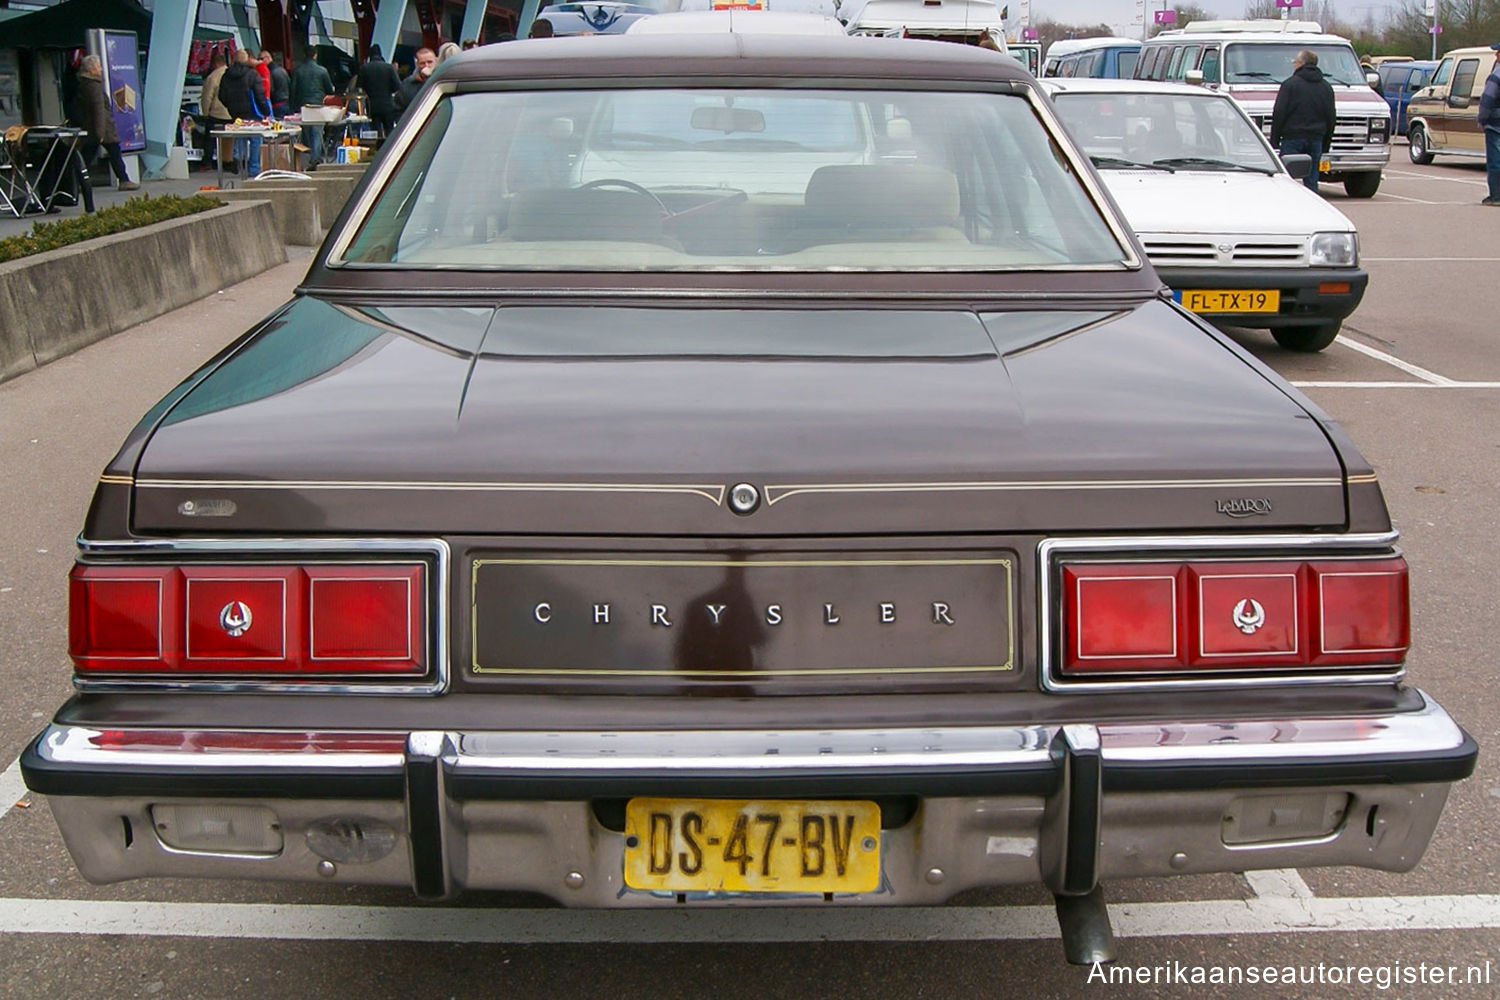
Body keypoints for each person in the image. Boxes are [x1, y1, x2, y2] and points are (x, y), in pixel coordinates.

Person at [1270, 49, 1336, 193]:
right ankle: (1311, 207)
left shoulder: (1290, 85)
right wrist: (1326, 142)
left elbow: (1280, 112)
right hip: (1316, 139)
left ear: (1300, 64)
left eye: (1295, 62)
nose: (1294, 65)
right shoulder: (1326, 87)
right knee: (1312, 180)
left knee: (1286, 178)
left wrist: (1274, 139)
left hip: (1292, 138)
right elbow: (1331, 116)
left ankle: (1288, 205)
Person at [75, 55, 138, 191]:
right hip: (102, 128)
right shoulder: (93, 86)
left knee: (91, 154)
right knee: (105, 153)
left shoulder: (87, 84)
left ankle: (123, 179)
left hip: (98, 127)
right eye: (98, 66)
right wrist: (100, 132)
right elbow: (99, 110)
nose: (101, 69)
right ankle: (123, 180)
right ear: (91, 69)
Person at [222, 49, 271, 177]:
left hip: (235, 113)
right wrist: (266, 111)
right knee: (255, 140)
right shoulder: (252, 74)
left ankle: (239, 162)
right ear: (246, 60)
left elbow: (221, 95)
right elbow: (260, 95)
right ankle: (253, 167)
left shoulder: (226, 75)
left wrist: (229, 106)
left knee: (240, 137)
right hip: (252, 113)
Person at [290, 47, 335, 171]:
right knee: (317, 132)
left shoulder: (298, 71)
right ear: (315, 55)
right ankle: (315, 158)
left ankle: (308, 158)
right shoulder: (322, 71)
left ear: (304, 55)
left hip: (303, 106)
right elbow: (329, 90)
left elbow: (293, 90)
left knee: (306, 133)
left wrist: (292, 108)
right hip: (318, 105)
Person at [355, 44, 403, 137]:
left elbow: (359, 87)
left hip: (372, 106)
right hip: (388, 105)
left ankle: (378, 149)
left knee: (376, 132)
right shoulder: (389, 68)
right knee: (389, 130)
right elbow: (398, 86)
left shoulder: (365, 68)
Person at [199, 53, 232, 167]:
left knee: (210, 139)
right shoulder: (232, 74)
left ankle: (207, 162)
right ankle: (228, 162)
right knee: (229, 140)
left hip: (217, 114)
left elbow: (207, 97)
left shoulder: (213, 77)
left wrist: (205, 113)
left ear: (215, 63)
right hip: (232, 114)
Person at [1479, 42, 1500, 206]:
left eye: (1498, 52)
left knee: (1495, 161)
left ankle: (1496, 196)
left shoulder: (1497, 75)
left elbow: (1488, 98)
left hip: (1496, 124)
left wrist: (1482, 118)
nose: (1495, 55)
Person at [397, 47, 437, 116]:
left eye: (429, 62)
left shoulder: (442, 80)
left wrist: (430, 77)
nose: (426, 66)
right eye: (422, 63)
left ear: (436, 61)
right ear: (417, 64)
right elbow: (398, 108)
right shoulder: (407, 84)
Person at [265, 50, 292, 117]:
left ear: (268, 58)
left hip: (276, 104)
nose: (259, 61)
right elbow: (289, 85)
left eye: (261, 59)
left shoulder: (269, 72)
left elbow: (270, 90)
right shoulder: (282, 70)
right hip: (286, 103)